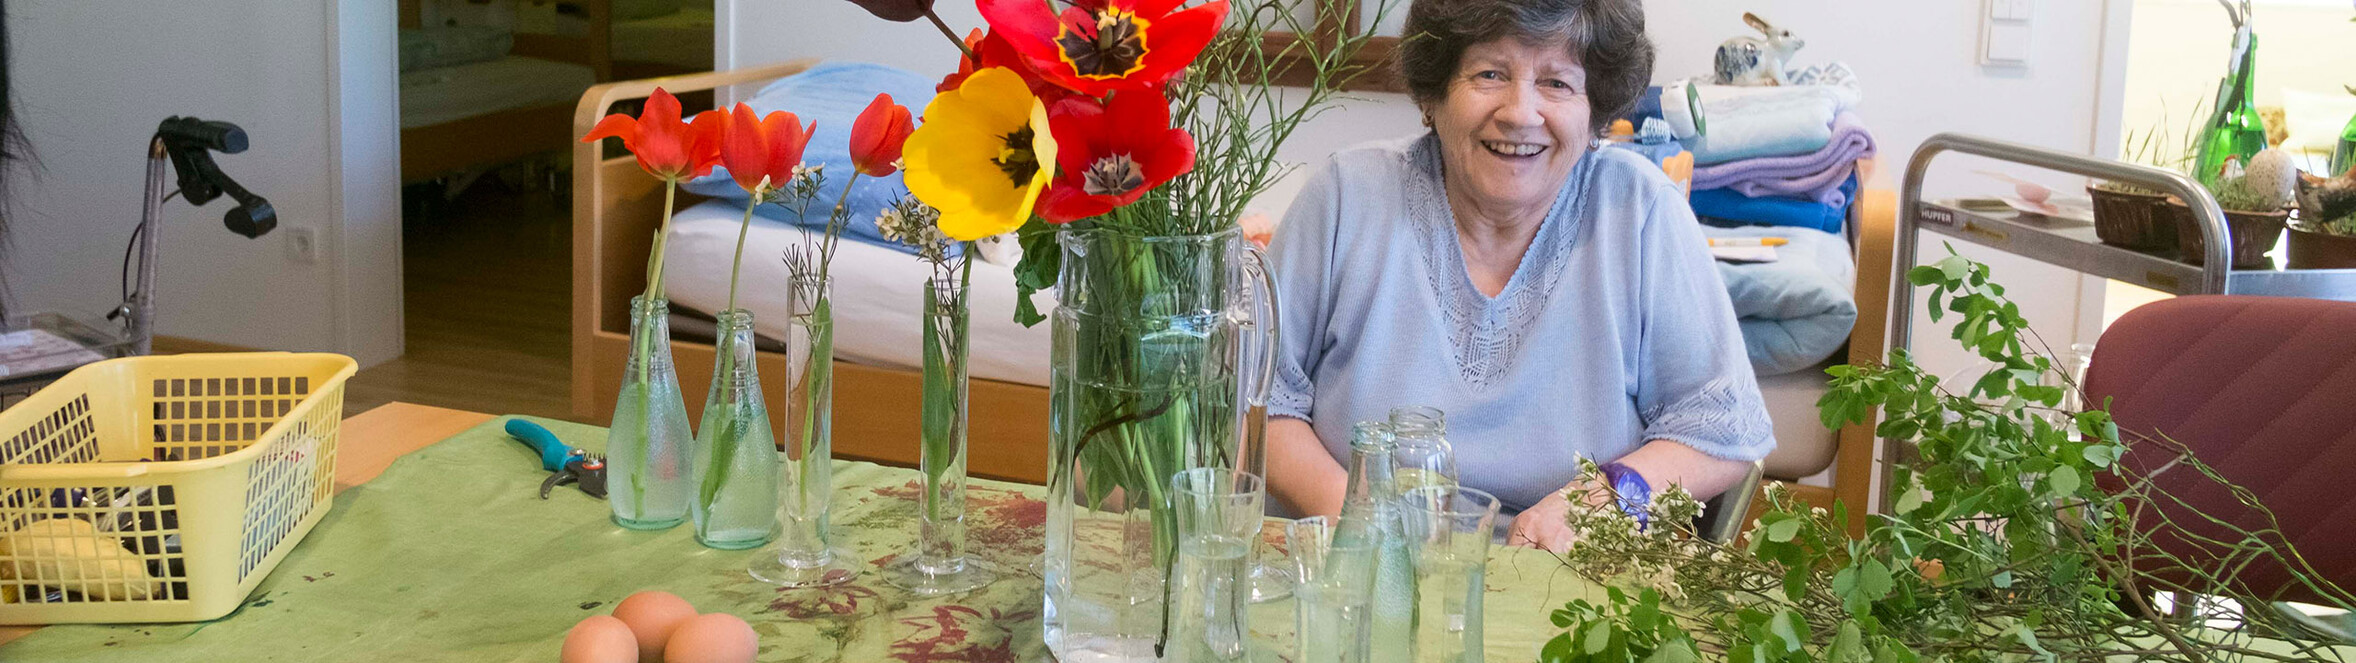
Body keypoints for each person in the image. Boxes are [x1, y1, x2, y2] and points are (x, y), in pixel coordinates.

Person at [1263, 0, 1774, 552]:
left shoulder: (1642, 212)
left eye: (1557, 83)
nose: (1520, 113)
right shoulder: (1346, 197)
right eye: (1490, 74)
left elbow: (1723, 432)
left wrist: (1597, 504)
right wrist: (1364, 527)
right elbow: (1258, 400)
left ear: (1594, 110)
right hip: (1358, 575)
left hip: (1567, 589)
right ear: (1434, 96)